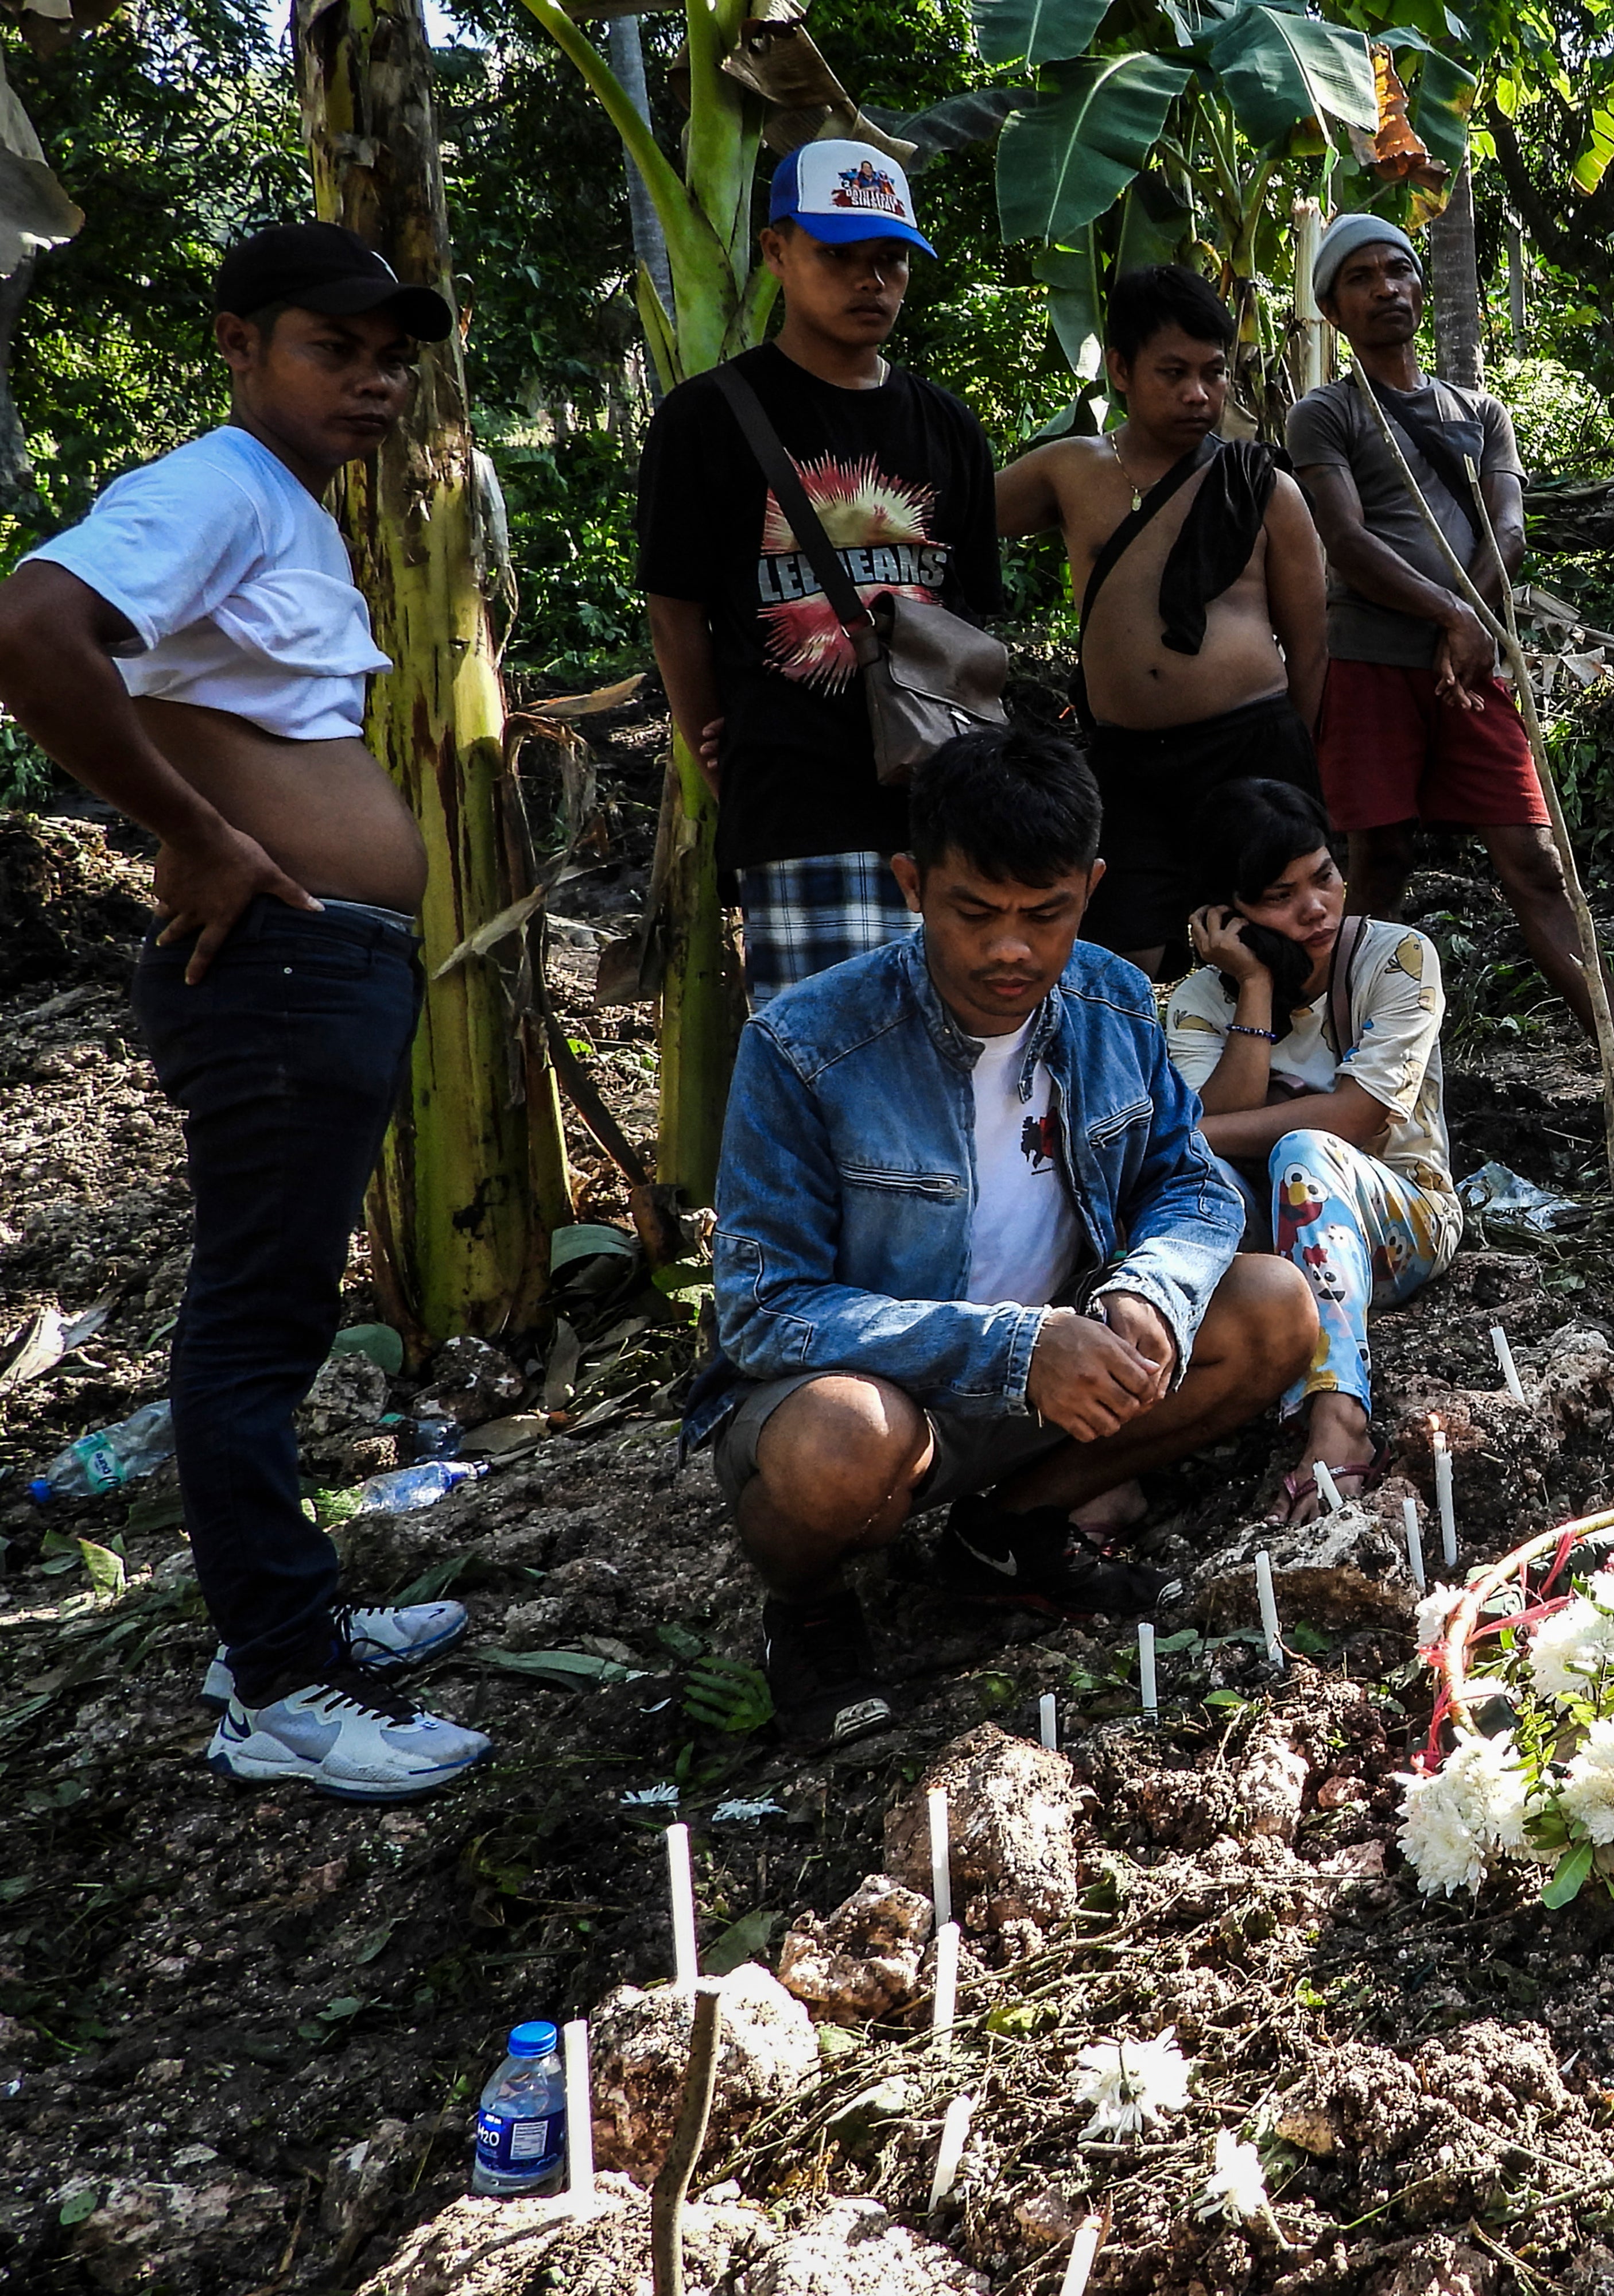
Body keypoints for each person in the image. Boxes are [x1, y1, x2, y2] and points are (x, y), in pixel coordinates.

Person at [0, 220, 487, 1799]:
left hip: (318, 963)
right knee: (253, 1327)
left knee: (275, 1314)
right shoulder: (216, 485)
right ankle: (281, 1684)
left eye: (389, 358)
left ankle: (280, 1622)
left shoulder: (283, 505)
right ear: (238, 343)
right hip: (275, 964)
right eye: (330, 348)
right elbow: (32, 629)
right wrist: (195, 832)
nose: (372, 381)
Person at [692, 725, 1318, 1748]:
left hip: (1058, 1373)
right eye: (975, 912)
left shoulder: (1114, 998)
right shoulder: (806, 1044)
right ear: (912, 883)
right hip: (882, 1393)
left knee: (1274, 1308)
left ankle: (1007, 1531)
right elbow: (765, 1311)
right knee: (845, 1439)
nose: (1010, 950)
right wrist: (1018, 1346)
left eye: (1047, 913)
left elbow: (1192, 1181)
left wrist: (1147, 1291)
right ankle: (806, 1609)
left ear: (1092, 889)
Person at [1288, 215, 1614, 1115]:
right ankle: (1336, 1064)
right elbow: (1347, 540)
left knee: (1534, 861)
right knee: (1377, 860)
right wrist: (1454, 614)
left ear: (1422, 288)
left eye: (1399, 270)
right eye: (1362, 278)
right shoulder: (1325, 414)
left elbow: (1510, 527)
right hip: (1372, 663)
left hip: (1471, 671)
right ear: (1333, 310)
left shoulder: (1479, 413)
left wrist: (1470, 622)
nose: (1387, 288)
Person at [637, 138, 1002, 1005]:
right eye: (838, 256)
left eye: (890, 260)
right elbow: (675, 608)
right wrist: (716, 743)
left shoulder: (949, 426)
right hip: (796, 805)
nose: (870, 281)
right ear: (776, 252)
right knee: (829, 1056)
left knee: (960, 1058)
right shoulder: (706, 419)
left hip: (943, 812)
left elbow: (973, 617)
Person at [996, 264, 1326, 972]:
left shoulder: (1264, 488)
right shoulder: (1069, 471)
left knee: (1274, 943)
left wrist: (1286, 778)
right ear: (1121, 369)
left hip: (1250, 746)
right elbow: (950, 517)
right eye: (1173, 373)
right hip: (1127, 763)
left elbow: (1309, 651)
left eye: (1214, 373)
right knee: (1121, 954)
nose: (1197, 394)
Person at [1163, 781, 1461, 1521]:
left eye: (1325, 877)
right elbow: (1216, 1120)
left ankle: (1340, 1419)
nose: (1316, 909)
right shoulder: (1199, 1002)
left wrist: (1192, 1133)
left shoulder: (1396, 958)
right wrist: (1256, 986)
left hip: (1406, 1219)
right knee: (1179, 1183)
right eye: (1280, 897)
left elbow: (1356, 1116)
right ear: (1225, 913)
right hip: (1268, 1250)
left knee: (1304, 1151)